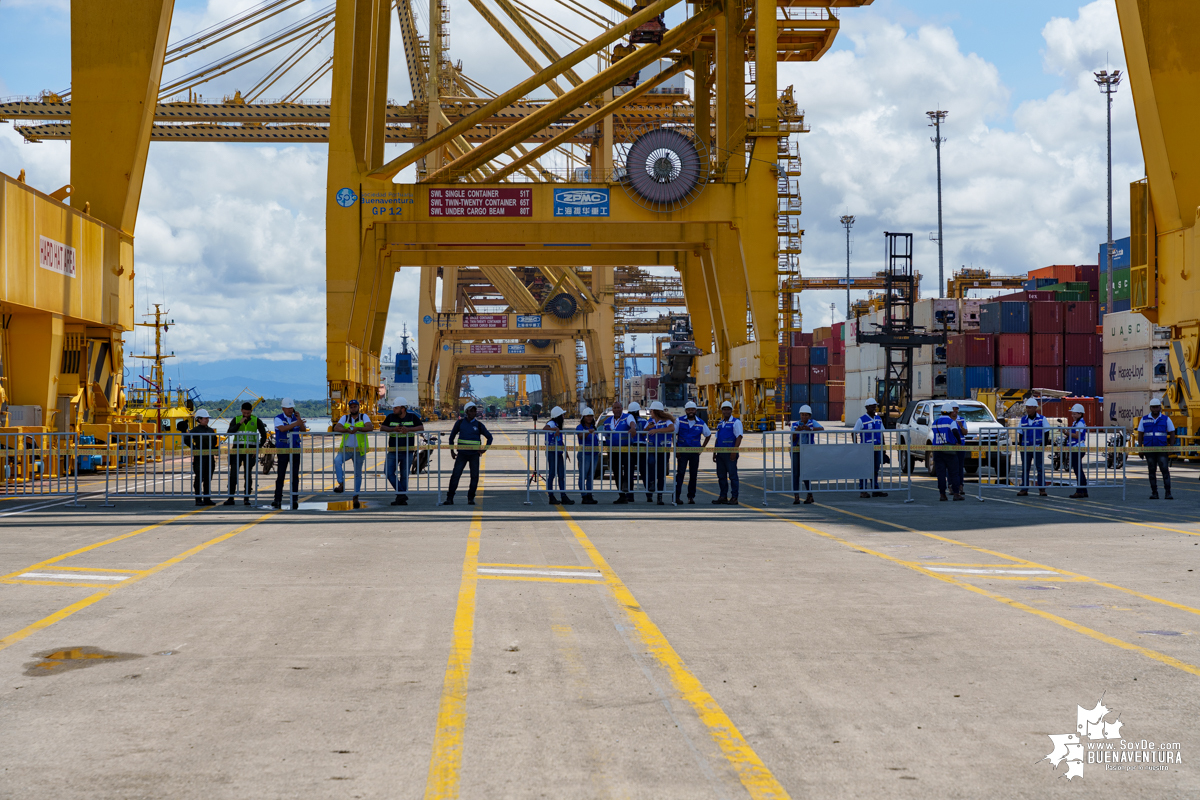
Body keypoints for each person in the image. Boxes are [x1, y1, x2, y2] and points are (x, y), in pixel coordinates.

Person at [445, 401, 493, 505]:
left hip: (474, 455)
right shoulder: (460, 423)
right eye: (471, 411)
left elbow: (490, 437)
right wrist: (452, 451)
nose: (474, 413)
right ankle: (450, 498)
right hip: (461, 454)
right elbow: (451, 437)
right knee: (455, 476)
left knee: (474, 477)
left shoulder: (479, 425)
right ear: (467, 412)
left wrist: (485, 449)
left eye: (475, 411)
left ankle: (471, 498)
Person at [381, 396, 424, 506]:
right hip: (393, 451)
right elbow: (382, 428)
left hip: (407, 451)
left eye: (395, 408)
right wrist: (393, 429)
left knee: (404, 475)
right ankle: (402, 494)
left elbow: (421, 428)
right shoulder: (390, 417)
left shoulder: (412, 417)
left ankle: (401, 499)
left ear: (402, 409)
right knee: (388, 472)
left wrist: (408, 429)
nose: (393, 410)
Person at [225, 401, 269, 506]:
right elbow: (229, 432)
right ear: (241, 411)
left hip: (250, 451)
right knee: (233, 474)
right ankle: (231, 497)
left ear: (251, 411)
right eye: (244, 413)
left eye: (248, 413)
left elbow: (264, 435)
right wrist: (239, 423)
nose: (246, 415)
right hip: (237, 451)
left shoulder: (256, 420)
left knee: (248, 475)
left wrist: (257, 448)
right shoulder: (236, 419)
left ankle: (247, 497)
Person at [332, 398, 374, 505]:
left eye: (355, 406)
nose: (353, 408)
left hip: (359, 450)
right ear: (349, 408)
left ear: (358, 407)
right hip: (346, 448)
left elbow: (370, 427)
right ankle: (341, 484)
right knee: (337, 461)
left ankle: (356, 495)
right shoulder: (345, 418)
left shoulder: (363, 416)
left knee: (358, 474)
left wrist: (358, 429)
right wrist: (346, 430)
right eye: (351, 407)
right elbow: (336, 427)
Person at [271, 398, 308, 509]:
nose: (290, 410)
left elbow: (303, 430)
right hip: (283, 450)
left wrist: (299, 420)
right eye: (288, 408)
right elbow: (282, 429)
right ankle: (277, 499)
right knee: (281, 475)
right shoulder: (278, 418)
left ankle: (294, 499)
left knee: (295, 476)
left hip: (295, 449)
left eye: (291, 408)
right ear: (283, 408)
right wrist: (296, 423)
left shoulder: (295, 418)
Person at [674, 401, 711, 505]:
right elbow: (674, 435)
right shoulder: (679, 421)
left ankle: (691, 497)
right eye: (689, 410)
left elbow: (708, 435)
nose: (691, 411)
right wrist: (676, 450)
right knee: (680, 474)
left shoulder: (701, 422)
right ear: (685, 411)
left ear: (696, 410)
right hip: (682, 452)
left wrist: (702, 448)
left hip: (694, 453)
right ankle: (676, 496)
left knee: (693, 475)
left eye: (692, 409)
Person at [1138, 397, 1174, 500]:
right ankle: (1154, 493)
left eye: (1157, 407)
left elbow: (1172, 432)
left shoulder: (1166, 419)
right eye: (1153, 407)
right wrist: (1140, 449)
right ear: (1150, 408)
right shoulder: (1144, 419)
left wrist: (1171, 447)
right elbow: (1140, 434)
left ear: (1160, 407)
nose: (1155, 409)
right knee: (1151, 471)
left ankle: (1168, 493)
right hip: (1149, 450)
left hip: (1162, 450)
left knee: (1165, 471)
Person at [604, 400, 640, 504]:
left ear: (622, 408)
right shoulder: (607, 421)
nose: (616, 410)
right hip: (613, 450)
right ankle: (622, 495)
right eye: (615, 408)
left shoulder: (627, 417)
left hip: (626, 449)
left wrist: (633, 428)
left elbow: (632, 424)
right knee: (616, 472)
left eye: (618, 407)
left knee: (628, 470)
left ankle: (629, 492)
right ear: (612, 409)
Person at [641, 401, 675, 505]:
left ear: (655, 411)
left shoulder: (666, 420)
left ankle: (660, 496)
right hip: (651, 448)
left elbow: (672, 428)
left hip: (663, 449)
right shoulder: (650, 421)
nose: (650, 412)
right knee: (651, 463)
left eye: (651, 410)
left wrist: (657, 430)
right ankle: (651, 484)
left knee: (661, 472)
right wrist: (648, 428)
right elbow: (643, 432)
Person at [853, 398, 888, 498]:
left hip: (877, 448)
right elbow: (854, 432)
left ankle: (875, 489)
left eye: (875, 406)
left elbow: (882, 434)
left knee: (875, 469)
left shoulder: (878, 419)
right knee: (865, 469)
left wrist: (884, 447)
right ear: (867, 408)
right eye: (872, 406)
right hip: (866, 449)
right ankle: (863, 490)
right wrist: (856, 446)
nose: (874, 408)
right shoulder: (861, 420)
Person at [790, 405, 824, 505]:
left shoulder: (812, 423)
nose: (803, 417)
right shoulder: (795, 424)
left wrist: (810, 429)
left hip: (808, 451)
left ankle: (810, 495)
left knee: (806, 473)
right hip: (796, 450)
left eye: (806, 415)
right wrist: (797, 431)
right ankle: (796, 496)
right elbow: (792, 438)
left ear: (809, 416)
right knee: (796, 474)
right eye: (802, 415)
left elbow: (822, 429)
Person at [931, 402, 965, 501]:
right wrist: (958, 441)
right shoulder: (951, 422)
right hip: (949, 450)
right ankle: (956, 493)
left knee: (940, 473)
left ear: (941, 412)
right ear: (950, 412)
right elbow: (955, 431)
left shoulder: (935, 422)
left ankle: (942, 494)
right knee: (954, 472)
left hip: (937, 450)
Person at [712, 400, 743, 505]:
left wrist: (734, 451)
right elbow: (717, 438)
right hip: (720, 454)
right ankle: (723, 496)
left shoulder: (736, 422)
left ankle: (734, 497)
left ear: (731, 410)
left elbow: (739, 437)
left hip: (730, 453)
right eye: (724, 410)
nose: (726, 412)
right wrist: (714, 452)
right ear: (722, 411)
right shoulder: (720, 424)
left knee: (733, 475)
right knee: (721, 476)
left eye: (728, 409)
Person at [184, 409, 218, 506]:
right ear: (199, 419)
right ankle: (198, 499)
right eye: (205, 418)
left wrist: (215, 448)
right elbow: (186, 438)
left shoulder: (210, 430)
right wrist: (194, 447)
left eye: (207, 418)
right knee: (199, 478)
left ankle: (207, 498)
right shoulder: (195, 430)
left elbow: (214, 440)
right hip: (199, 457)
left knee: (208, 478)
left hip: (209, 457)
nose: (207, 420)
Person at [542, 405, 574, 505]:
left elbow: (559, 440)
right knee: (552, 474)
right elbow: (544, 428)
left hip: (559, 452)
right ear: (558, 416)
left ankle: (563, 496)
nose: (564, 417)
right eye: (562, 415)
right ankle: (551, 496)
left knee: (561, 474)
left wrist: (565, 451)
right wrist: (554, 429)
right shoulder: (551, 423)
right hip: (552, 452)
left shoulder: (557, 425)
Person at [1016, 397, 1048, 497]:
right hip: (1026, 448)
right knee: (1025, 468)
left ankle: (1042, 489)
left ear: (1035, 408)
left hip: (1038, 447)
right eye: (1027, 408)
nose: (1028, 410)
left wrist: (1043, 445)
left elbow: (1046, 432)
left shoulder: (1042, 419)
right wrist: (1021, 446)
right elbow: (1020, 434)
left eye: (1030, 408)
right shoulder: (1023, 420)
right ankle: (1024, 488)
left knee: (1040, 468)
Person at [575, 407, 600, 504]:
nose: (589, 418)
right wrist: (587, 432)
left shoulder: (594, 427)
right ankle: (584, 496)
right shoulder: (580, 427)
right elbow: (580, 436)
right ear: (583, 417)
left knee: (590, 476)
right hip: (584, 454)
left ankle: (589, 495)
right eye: (587, 416)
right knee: (583, 475)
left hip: (594, 454)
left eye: (591, 416)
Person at [1067, 403, 1089, 499]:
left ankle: (1080, 491)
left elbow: (1077, 435)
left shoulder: (1080, 423)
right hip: (1076, 448)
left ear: (1080, 414)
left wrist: (1066, 432)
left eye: (1075, 414)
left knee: (1077, 470)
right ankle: (1083, 491)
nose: (1073, 416)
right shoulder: (1076, 423)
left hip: (1078, 448)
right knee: (1079, 470)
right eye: (1072, 414)